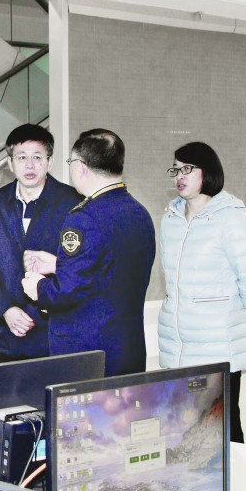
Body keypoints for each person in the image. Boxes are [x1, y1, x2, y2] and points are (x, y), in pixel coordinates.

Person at [21, 129, 155, 377]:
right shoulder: (139, 212)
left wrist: (37, 287)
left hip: (87, 354)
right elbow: (110, 271)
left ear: (80, 167)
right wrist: (60, 264)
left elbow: (66, 291)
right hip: (127, 349)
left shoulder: (84, 218)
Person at [158, 142, 246, 443]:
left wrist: (229, 321)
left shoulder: (231, 219)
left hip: (218, 349)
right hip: (178, 348)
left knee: (223, 430)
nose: (180, 176)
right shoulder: (170, 219)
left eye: (187, 169)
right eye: (176, 170)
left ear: (208, 172)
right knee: (186, 434)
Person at [0, 124, 82, 364]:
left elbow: (78, 267)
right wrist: (6, 310)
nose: (29, 165)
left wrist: (33, 314)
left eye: (37, 157)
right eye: (22, 157)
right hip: (5, 332)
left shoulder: (72, 203)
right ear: (10, 163)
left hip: (52, 333)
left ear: (49, 162)